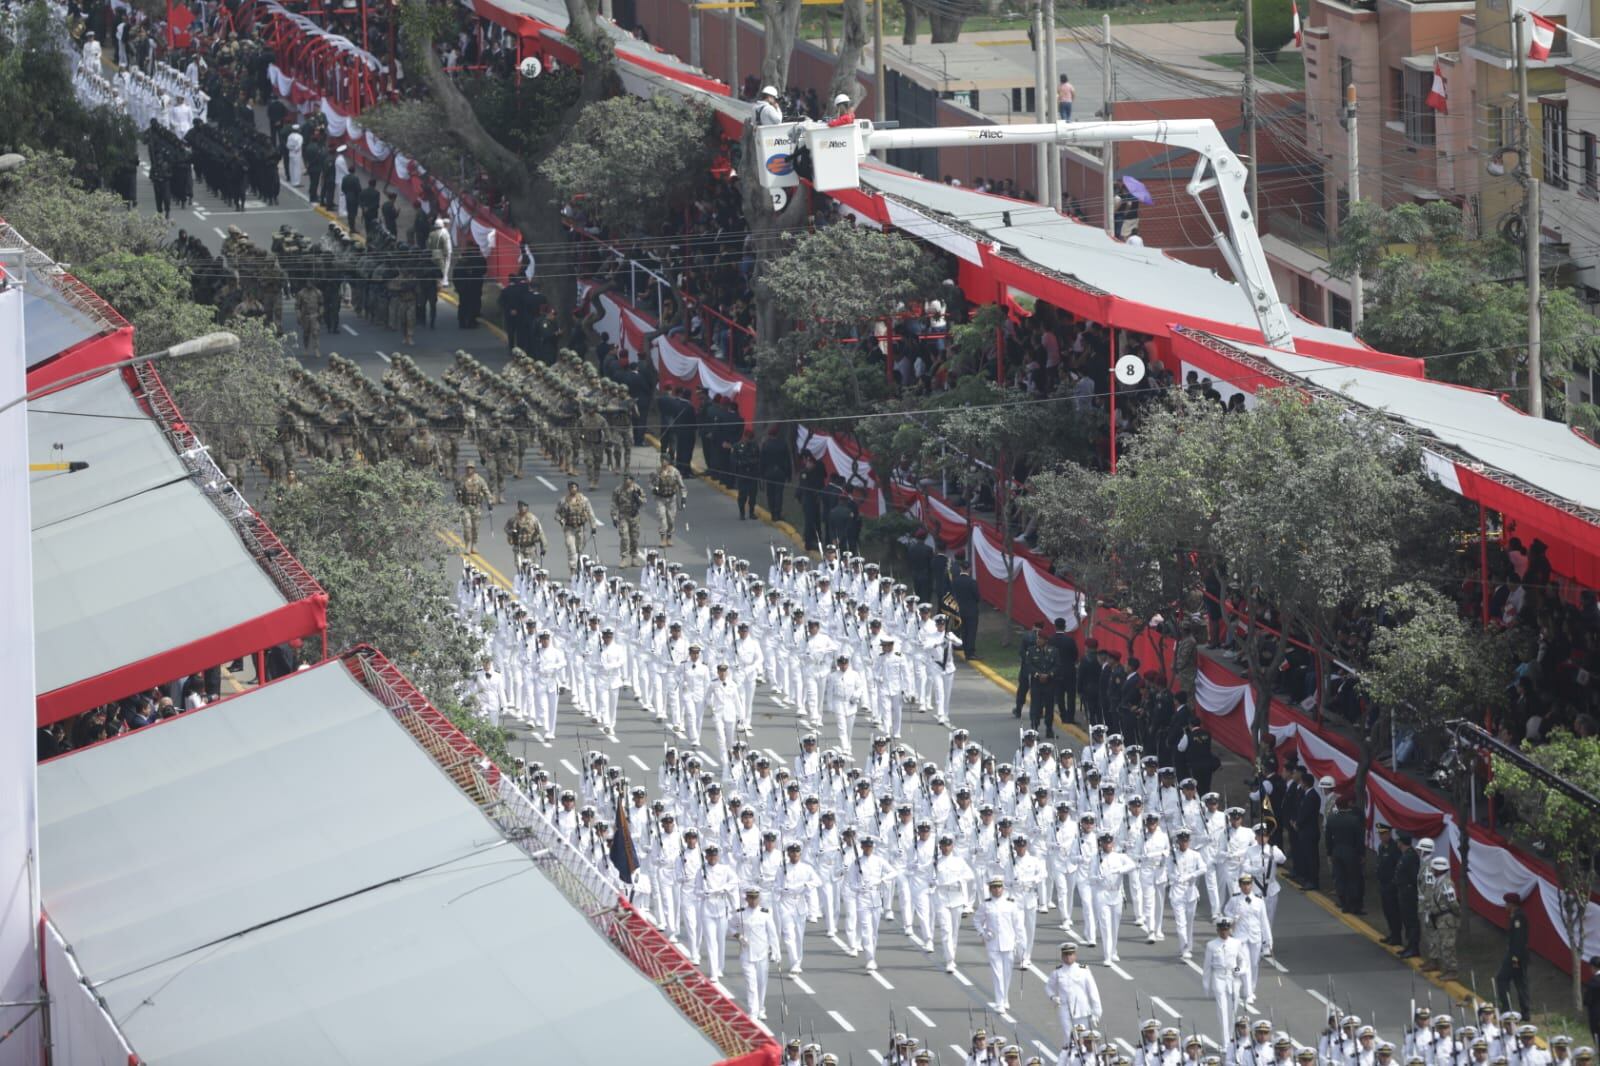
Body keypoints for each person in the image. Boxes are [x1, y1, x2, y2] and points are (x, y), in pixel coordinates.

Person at [974, 874, 1027, 1012]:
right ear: (990, 889)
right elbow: (977, 920)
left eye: (999, 887)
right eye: (994, 887)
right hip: (993, 944)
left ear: (1003, 888)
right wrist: (983, 933)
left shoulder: (1011, 904)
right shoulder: (985, 905)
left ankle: (1005, 998)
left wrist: (1022, 944)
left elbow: (1018, 926)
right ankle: (999, 1002)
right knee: (997, 974)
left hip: (1009, 943)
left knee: (1007, 973)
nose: (997, 890)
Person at [733, 886, 780, 1019]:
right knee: (750, 983)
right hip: (746, 953)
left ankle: (761, 1008)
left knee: (761, 982)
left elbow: (772, 934)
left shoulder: (765, 913)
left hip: (762, 953)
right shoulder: (739, 913)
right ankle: (753, 1011)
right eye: (751, 898)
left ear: (759, 898)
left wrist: (776, 952)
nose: (753, 901)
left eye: (755, 898)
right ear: (746, 898)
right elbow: (730, 927)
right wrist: (738, 936)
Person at [1202, 916, 1245, 1047]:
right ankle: (1225, 1042)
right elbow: (1207, 966)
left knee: (1233, 1009)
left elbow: (1243, 961)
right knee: (1222, 1010)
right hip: (1219, 977)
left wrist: (1239, 970)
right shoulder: (1211, 945)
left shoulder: (1236, 943)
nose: (1224, 932)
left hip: (1233, 977)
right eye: (1221, 930)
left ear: (1230, 929)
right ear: (1217, 930)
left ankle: (1232, 1038)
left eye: (1226, 929)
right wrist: (1206, 986)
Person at [1046, 941, 1102, 1041]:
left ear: (1075, 955)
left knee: (1084, 1038)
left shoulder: (1083, 970)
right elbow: (1048, 987)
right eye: (1066, 954)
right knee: (1069, 1039)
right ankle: (1069, 1056)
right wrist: (1053, 997)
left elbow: (1093, 991)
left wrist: (1096, 1012)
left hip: (1082, 1011)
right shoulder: (1057, 972)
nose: (1068, 957)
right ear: (1062, 956)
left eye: (1070, 954)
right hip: (1065, 1010)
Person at [1325, 796, 1365, 913]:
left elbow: (1328, 838)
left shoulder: (1331, 819)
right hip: (1351, 853)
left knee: (1340, 879)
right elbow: (1359, 839)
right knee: (1353, 879)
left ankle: (1344, 904)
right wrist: (1361, 854)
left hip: (1336, 852)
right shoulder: (1354, 820)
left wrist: (1329, 852)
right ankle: (1354, 905)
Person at [1424, 856, 1459, 980]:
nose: (1432, 870)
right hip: (1440, 918)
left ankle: (1452, 970)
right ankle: (1447, 969)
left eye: (1434, 868)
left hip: (1446, 919)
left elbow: (1453, 903)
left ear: (1439, 869)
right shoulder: (1438, 881)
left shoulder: (1446, 884)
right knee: (1442, 944)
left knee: (1447, 945)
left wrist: (1455, 914)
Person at [1023, 626, 1062, 739]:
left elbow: (1057, 665)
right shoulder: (1031, 650)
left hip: (1049, 683)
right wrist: (1037, 674)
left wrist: (1049, 675)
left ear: (1046, 640)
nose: (1038, 640)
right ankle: (1034, 730)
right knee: (1036, 707)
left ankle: (1049, 729)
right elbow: (1028, 665)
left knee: (1049, 707)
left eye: (1040, 639)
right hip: (1036, 684)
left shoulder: (1054, 651)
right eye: (1037, 638)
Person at [1496, 893, 1531, 1015]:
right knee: (1520, 982)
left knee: (1502, 979)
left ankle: (1506, 1007)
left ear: (1512, 904)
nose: (1505, 905)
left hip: (1516, 956)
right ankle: (1524, 1012)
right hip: (1515, 955)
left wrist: (1515, 958)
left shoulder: (1518, 918)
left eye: (1507, 903)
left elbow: (1518, 939)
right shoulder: (1515, 916)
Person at [555, 481, 599, 576]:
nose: (573, 489)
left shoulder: (584, 500)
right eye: (571, 487)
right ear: (569, 489)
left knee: (579, 549)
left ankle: (579, 567)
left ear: (577, 488)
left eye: (575, 487)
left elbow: (590, 513)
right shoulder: (563, 501)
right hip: (569, 528)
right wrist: (560, 519)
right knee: (571, 548)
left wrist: (593, 526)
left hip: (580, 528)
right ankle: (573, 570)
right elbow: (557, 514)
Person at [651, 452, 687, 546]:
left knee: (671, 520)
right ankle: (662, 539)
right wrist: (655, 488)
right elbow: (651, 483)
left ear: (669, 461)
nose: (663, 462)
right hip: (660, 498)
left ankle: (669, 537)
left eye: (665, 460)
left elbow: (682, 486)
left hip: (671, 499)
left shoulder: (675, 472)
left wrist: (683, 498)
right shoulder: (657, 472)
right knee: (662, 518)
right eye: (662, 460)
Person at [611, 472, 646, 566]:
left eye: (628, 479)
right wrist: (614, 517)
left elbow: (644, 501)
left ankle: (634, 557)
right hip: (623, 516)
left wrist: (638, 498)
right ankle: (624, 558)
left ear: (632, 480)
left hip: (634, 516)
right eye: (624, 478)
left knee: (634, 538)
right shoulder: (618, 490)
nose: (626, 481)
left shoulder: (637, 489)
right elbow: (614, 504)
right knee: (624, 537)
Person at [1396, 833, 1422, 959]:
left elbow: (1413, 876)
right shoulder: (1406, 855)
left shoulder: (1410, 857)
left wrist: (1409, 889)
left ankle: (1414, 947)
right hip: (1404, 891)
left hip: (1409, 893)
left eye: (1398, 840)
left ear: (1401, 842)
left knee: (1411, 920)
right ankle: (1409, 945)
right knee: (1406, 919)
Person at [456, 462, 491, 554]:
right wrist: (458, 494)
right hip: (466, 506)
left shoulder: (479, 480)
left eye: (471, 468)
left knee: (475, 527)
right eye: (468, 468)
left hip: (476, 507)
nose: (469, 470)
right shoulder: (462, 479)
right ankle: (468, 545)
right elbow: (455, 490)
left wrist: (489, 501)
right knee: (467, 527)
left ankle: (474, 544)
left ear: (474, 469)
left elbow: (486, 491)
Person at [505, 501, 548, 569]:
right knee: (519, 566)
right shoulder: (513, 519)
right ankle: (521, 576)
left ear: (527, 507)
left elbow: (541, 533)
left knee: (531, 567)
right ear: (518, 507)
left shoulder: (533, 519)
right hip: (518, 547)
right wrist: (512, 532)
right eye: (520, 506)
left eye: (524, 506)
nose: (522, 508)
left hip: (530, 547)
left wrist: (544, 547)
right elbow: (506, 528)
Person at [295, 283, 322, 359]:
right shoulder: (301, 293)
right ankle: (306, 349)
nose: (310, 283)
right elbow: (297, 306)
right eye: (308, 281)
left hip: (315, 315)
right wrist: (298, 316)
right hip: (305, 316)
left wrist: (320, 314)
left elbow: (321, 304)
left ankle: (316, 349)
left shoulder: (318, 292)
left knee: (315, 333)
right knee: (306, 334)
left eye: (311, 281)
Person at [427, 217, 454, 287]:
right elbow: (445, 245)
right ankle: (443, 282)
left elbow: (428, 244)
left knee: (434, 268)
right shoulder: (443, 234)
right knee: (443, 268)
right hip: (441, 254)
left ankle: (436, 282)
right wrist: (447, 253)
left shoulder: (431, 234)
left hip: (433, 253)